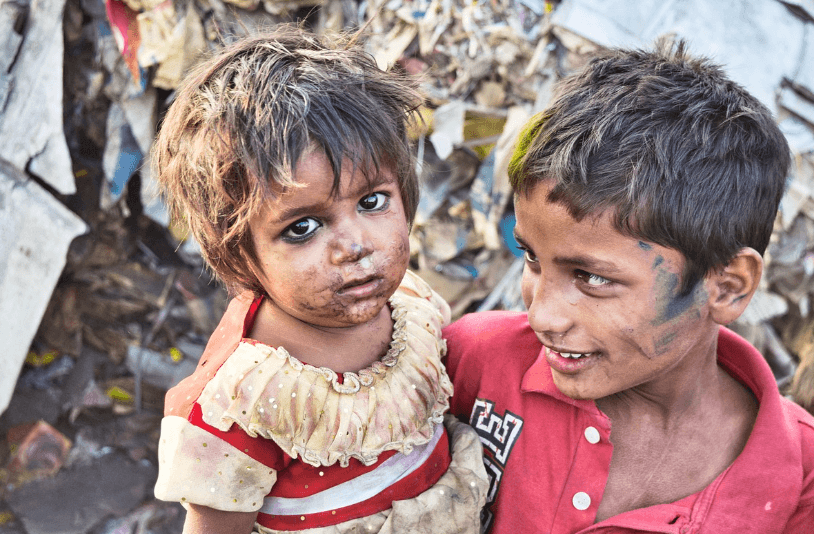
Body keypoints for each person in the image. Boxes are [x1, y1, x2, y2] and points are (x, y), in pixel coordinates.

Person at [444, 40, 814, 533]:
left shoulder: (798, 482)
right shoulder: (474, 362)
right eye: (532, 257)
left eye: (593, 278)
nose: (541, 316)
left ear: (726, 287)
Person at [152, 26, 487, 534]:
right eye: (302, 228)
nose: (355, 245)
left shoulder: (412, 308)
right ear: (238, 254)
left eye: (372, 201)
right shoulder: (240, 402)